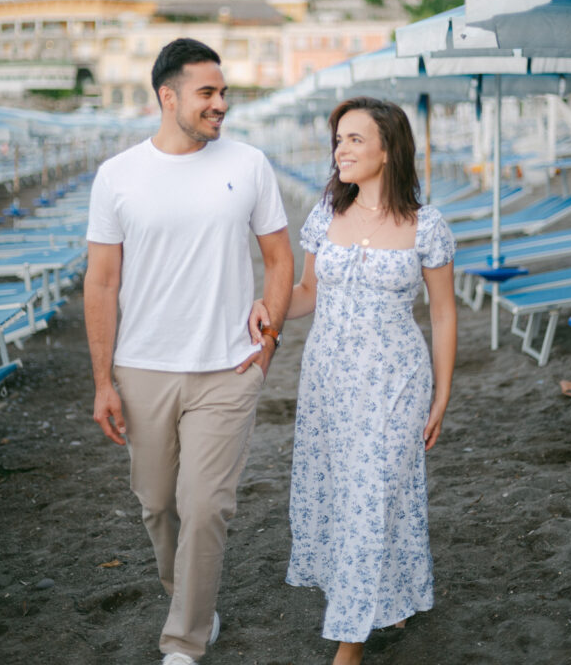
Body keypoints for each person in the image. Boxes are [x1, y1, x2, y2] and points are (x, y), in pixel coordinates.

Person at [84, 37, 294, 665]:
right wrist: (102, 382)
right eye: (207, 93)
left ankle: (184, 640)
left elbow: (281, 259)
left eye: (223, 93)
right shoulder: (117, 176)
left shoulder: (250, 164)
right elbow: (101, 282)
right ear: (167, 96)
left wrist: (271, 331)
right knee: (156, 504)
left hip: (228, 368)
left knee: (205, 506)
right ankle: (192, 601)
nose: (220, 104)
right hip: (143, 368)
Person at [281, 96, 457, 665]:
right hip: (328, 380)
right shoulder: (325, 214)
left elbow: (444, 313)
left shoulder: (425, 225)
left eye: (355, 138)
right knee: (352, 495)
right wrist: (264, 305)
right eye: (338, 139)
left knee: (373, 491)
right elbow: (306, 295)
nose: (341, 149)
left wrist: (442, 393)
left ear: (388, 148)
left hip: (395, 382)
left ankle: (349, 644)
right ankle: (394, 599)